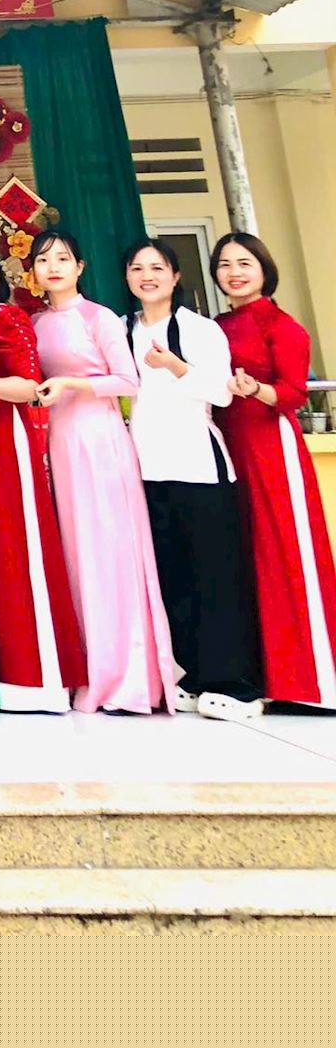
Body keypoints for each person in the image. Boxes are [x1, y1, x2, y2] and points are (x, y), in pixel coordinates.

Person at [31, 228, 178, 714]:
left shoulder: (100, 318)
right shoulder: (35, 323)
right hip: (60, 442)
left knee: (110, 552)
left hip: (100, 440)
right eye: (43, 260)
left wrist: (72, 383)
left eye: (62, 259)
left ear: (80, 267)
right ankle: (91, 670)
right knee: (75, 556)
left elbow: (128, 381)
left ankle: (129, 676)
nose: (53, 267)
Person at [123, 238, 263, 720]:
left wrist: (174, 365)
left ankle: (235, 684)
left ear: (176, 276)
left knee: (215, 576)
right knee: (173, 576)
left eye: (157, 268)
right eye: (137, 268)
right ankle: (191, 674)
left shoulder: (200, 329)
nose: (147, 276)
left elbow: (221, 394)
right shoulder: (123, 328)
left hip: (199, 467)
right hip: (146, 468)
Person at [0, 240, 86, 713]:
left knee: (17, 545)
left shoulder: (7, 318)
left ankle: (39, 678)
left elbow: (29, 386)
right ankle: (2, 672)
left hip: (4, 438)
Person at [214, 231, 336, 709]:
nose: (234, 272)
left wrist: (254, 390)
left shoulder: (282, 326)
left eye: (245, 263)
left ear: (265, 269)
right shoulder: (216, 326)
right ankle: (267, 674)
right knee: (247, 556)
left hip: (269, 446)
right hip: (229, 446)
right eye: (225, 264)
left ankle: (313, 680)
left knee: (286, 551)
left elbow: (293, 393)